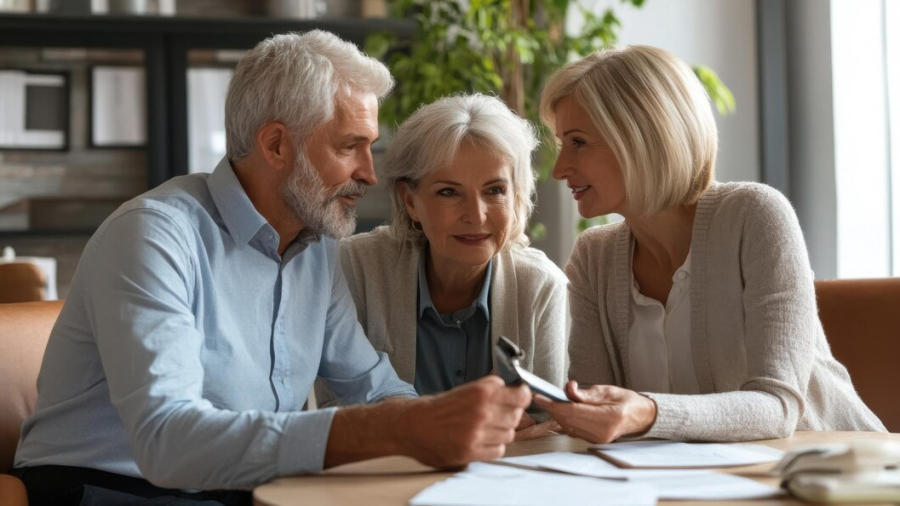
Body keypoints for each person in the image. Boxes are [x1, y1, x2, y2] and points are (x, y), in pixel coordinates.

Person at [12, 31, 531, 506]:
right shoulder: (153, 235)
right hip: (108, 488)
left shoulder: (315, 248)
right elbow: (166, 441)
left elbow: (370, 387)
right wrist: (385, 431)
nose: (370, 174)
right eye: (350, 146)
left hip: (240, 491)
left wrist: (447, 423)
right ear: (277, 144)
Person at [533, 45, 885, 443]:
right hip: (701, 488)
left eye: (578, 141)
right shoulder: (593, 257)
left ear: (643, 135)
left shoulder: (755, 216)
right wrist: (556, 421)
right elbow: (601, 411)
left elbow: (778, 406)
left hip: (839, 479)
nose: (560, 169)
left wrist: (647, 412)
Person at [314, 94, 567, 439]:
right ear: (410, 201)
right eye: (449, 192)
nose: (476, 215)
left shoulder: (541, 285)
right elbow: (338, 412)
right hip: (382, 483)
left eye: (494, 190)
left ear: (517, 194)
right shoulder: (356, 266)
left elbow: (551, 423)